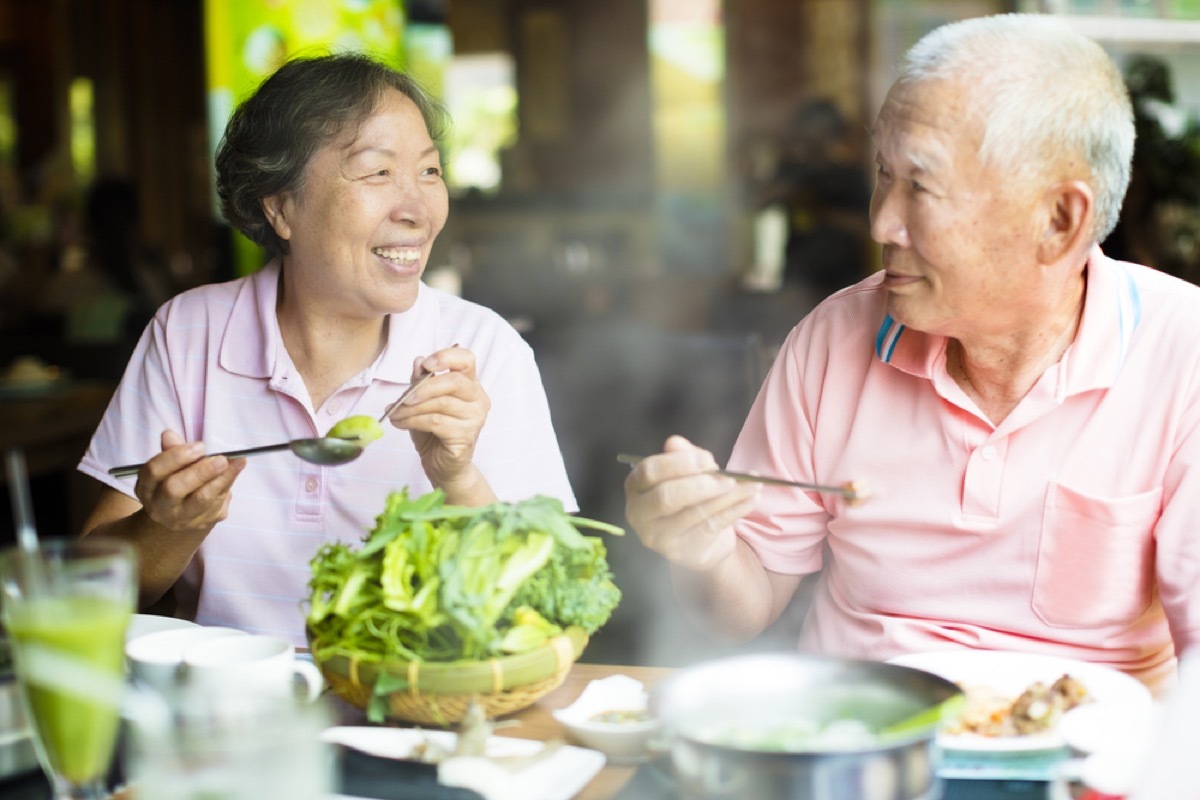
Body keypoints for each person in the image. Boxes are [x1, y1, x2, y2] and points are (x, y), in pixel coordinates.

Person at [624, 13, 1200, 694]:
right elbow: (742, 607)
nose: (881, 222)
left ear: (1058, 220)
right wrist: (702, 548)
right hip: (860, 744)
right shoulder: (833, 340)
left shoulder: (1181, 353)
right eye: (882, 174)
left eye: (920, 186)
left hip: (1083, 759)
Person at [76, 53, 575, 644]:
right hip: (232, 713)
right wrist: (170, 526)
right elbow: (88, 592)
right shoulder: (188, 331)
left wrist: (459, 477)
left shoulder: (486, 349)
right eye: (378, 173)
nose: (417, 208)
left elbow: (552, 613)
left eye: (430, 172)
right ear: (281, 206)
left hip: (418, 716)